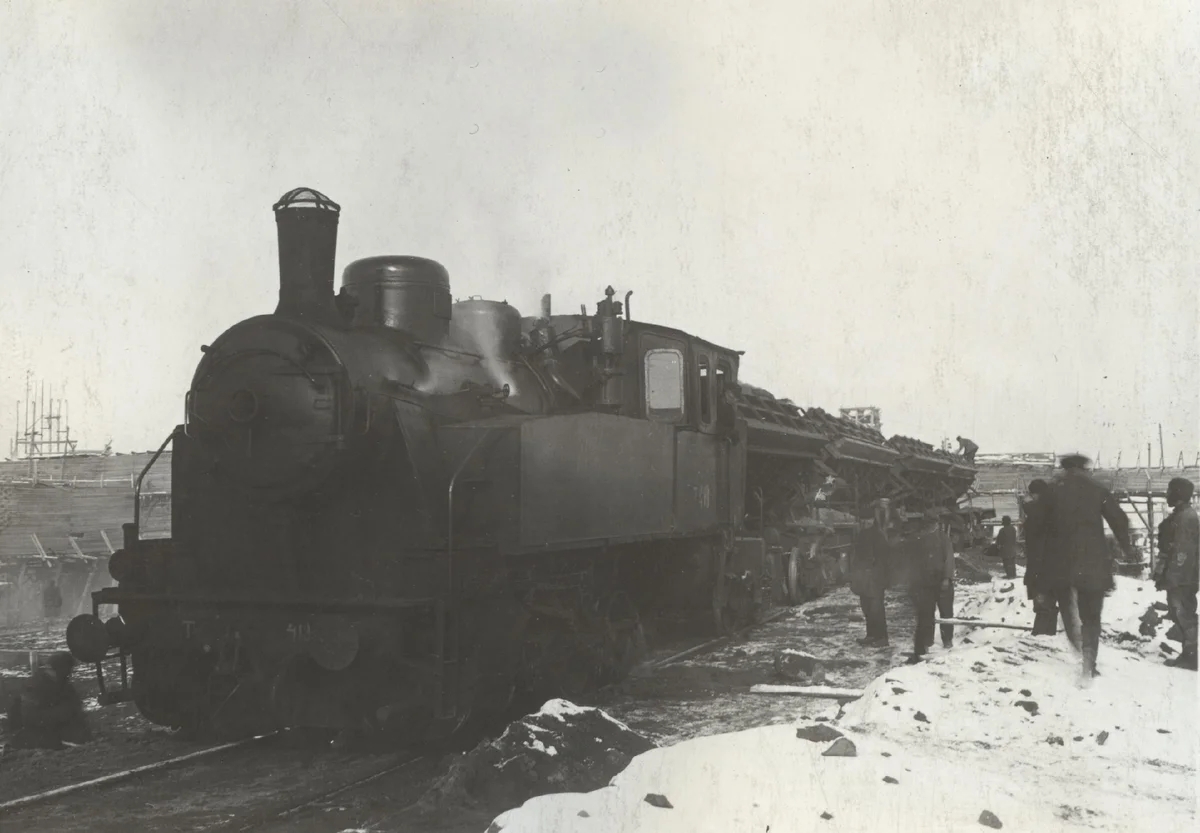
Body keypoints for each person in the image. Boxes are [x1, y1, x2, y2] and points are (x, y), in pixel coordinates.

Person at [1050, 453, 1135, 682]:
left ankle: (1077, 646)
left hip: (1061, 564)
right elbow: (1119, 520)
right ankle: (1088, 662)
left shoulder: (1053, 490)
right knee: (1091, 616)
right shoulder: (1097, 488)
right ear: (1084, 468)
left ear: (1065, 468)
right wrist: (1127, 548)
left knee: (1067, 609)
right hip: (1093, 563)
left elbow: (1038, 526)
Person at [1023, 480, 1080, 645]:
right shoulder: (1059, 511)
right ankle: (1048, 638)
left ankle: (1041, 642)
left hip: (1042, 568)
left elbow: (1037, 546)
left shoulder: (1039, 514)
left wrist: (1033, 574)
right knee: (1049, 605)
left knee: (1043, 605)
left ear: (1036, 495)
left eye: (1031, 494)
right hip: (1059, 568)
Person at [6, 652, 91, 750]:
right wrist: (60, 713)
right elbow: (29, 717)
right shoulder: (33, 686)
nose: (69, 675)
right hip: (34, 730)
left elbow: (76, 707)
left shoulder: (65, 685)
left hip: (57, 726)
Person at [1155, 477, 1197, 670]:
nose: (1167, 495)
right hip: (1180, 576)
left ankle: (1191, 658)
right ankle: (1188, 654)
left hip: (1182, 578)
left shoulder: (1186, 518)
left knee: (1184, 614)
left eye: (1170, 491)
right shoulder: (1182, 515)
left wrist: (1172, 578)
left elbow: (1182, 552)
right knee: (1178, 612)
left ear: (1178, 493)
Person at [906, 510, 956, 662]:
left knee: (946, 611)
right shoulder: (920, 540)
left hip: (942, 581)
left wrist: (946, 578)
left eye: (933, 523)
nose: (930, 526)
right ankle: (928, 641)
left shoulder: (943, 539)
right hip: (926, 583)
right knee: (927, 613)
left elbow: (949, 559)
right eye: (928, 523)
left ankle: (947, 639)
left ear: (937, 523)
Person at [850, 499, 893, 647]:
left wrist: (881, 575)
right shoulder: (861, 535)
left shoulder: (878, 535)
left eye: (867, 520)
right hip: (863, 578)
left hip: (875, 578)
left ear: (873, 520)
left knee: (877, 609)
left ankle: (882, 638)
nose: (865, 523)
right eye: (862, 520)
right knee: (866, 607)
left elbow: (885, 558)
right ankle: (871, 635)